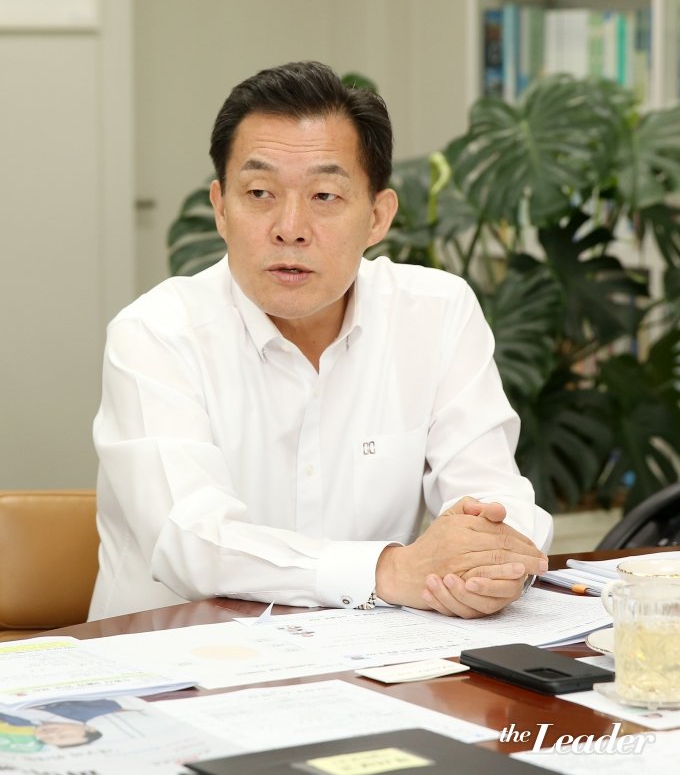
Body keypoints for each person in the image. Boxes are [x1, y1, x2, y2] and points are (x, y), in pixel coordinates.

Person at [90, 60, 551, 622]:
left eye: (325, 196)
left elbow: (492, 492)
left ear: (378, 216)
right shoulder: (156, 334)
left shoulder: (437, 312)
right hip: (173, 657)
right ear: (220, 208)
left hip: (368, 659)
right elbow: (192, 541)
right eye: (260, 192)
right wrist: (387, 571)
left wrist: (492, 564)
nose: (290, 227)